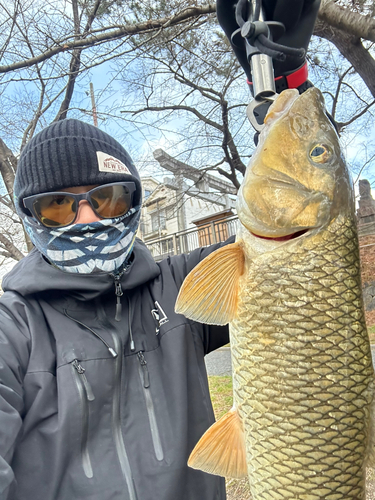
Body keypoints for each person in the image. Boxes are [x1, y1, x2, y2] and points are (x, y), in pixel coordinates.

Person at [0, 1, 319, 499]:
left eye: (108, 198)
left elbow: (305, 238)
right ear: (28, 216)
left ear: (134, 201)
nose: (89, 218)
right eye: (58, 207)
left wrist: (287, 83)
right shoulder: (11, 327)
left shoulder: (185, 285)